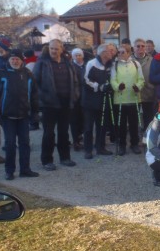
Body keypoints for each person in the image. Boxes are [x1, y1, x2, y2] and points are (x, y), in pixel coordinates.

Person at [0, 49, 40, 180]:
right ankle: (9, 171)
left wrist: (35, 112)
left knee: (25, 143)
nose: (14, 61)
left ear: (21, 60)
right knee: (10, 144)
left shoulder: (28, 74)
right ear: (8, 60)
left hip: (24, 115)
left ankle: (25, 169)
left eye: (17, 59)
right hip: (7, 116)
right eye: (12, 59)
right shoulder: (1, 73)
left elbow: (34, 95)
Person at [32, 39, 80, 171]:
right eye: (51, 48)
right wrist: (41, 99)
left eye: (56, 48)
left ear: (61, 49)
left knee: (64, 132)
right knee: (48, 133)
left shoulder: (67, 62)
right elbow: (34, 82)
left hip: (65, 103)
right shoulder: (42, 62)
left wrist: (74, 96)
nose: (53, 51)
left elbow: (75, 81)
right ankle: (47, 160)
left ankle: (65, 158)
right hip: (49, 104)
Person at [111, 44, 145, 155]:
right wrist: (117, 87)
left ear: (128, 53)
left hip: (133, 97)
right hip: (120, 99)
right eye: (119, 52)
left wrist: (138, 87)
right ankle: (122, 145)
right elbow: (113, 80)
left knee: (134, 123)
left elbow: (141, 79)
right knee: (121, 124)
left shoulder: (135, 64)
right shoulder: (115, 65)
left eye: (123, 52)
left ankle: (134, 144)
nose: (120, 54)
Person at [81, 44, 114, 158]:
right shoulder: (91, 63)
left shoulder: (110, 65)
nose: (111, 53)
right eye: (109, 51)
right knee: (89, 127)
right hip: (90, 101)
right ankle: (88, 150)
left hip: (103, 101)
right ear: (103, 53)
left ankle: (100, 147)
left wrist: (110, 86)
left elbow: (112, 79)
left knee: (102, 125)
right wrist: (99, 86)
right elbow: (85, 80)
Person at [132, 38, 155, 132]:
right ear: (134, 48)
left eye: (142, 46)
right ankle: (136, 140)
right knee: (134, 119)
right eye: (138, 46)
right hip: (133, 94)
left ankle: (146, 139)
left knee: (148, 119)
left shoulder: (152, 60)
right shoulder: (129, 60)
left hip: (148, 93)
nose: (140, 48)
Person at [70, 48, 86, 150]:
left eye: (79, 55)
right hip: (75, 97)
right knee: (75, 120)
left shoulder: (86, 65)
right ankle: (76, 140)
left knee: (84, 119)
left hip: (86, 96)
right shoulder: (71, 66)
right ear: (73, 56)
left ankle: (83, 137)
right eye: (76, 55)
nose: (78, 57)